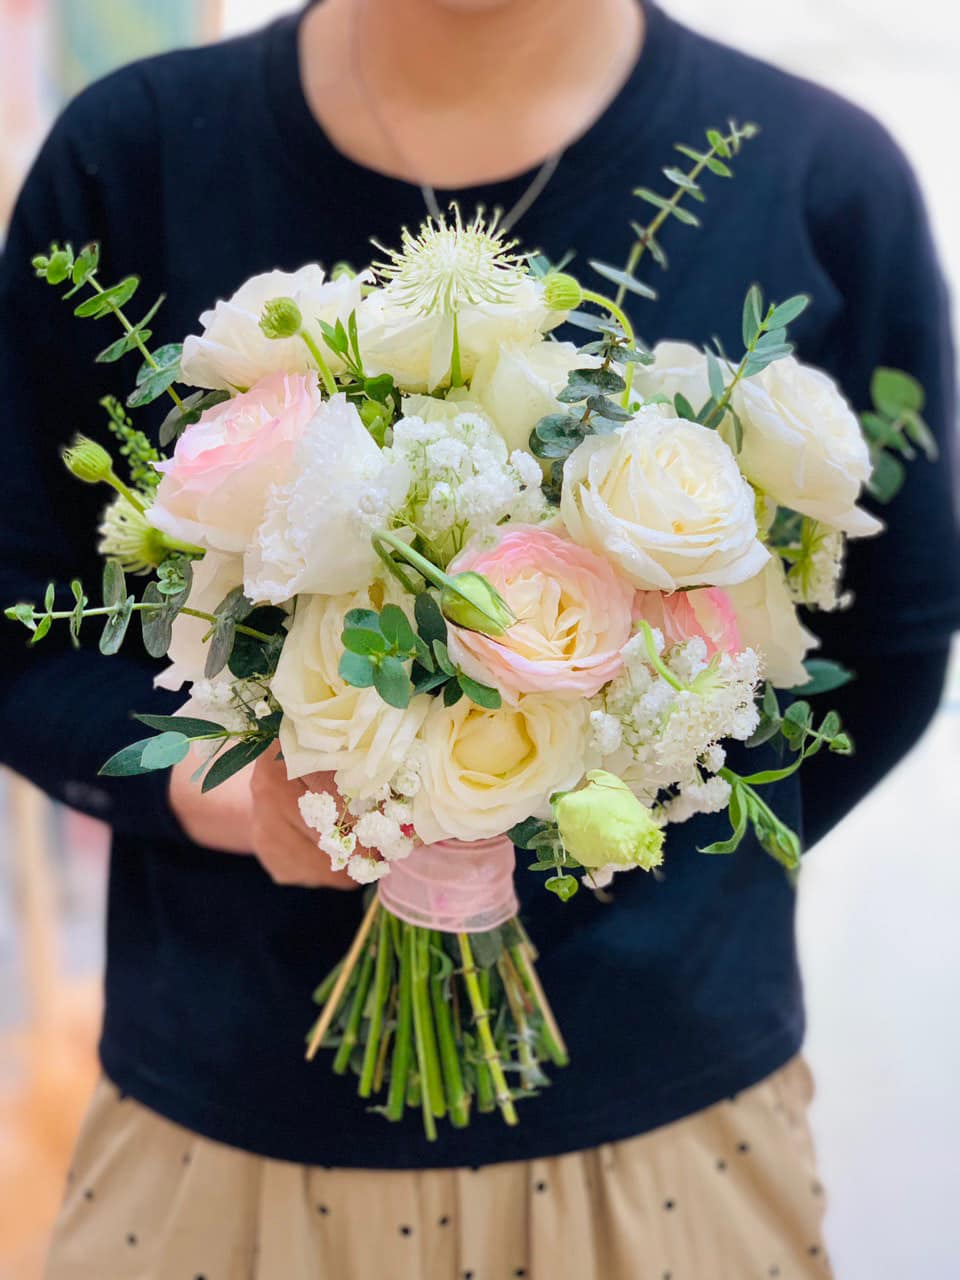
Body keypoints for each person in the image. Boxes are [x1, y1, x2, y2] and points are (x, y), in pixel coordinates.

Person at [1, 0, 957, 1276]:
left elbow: (891, 644)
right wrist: (247, 799)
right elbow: (17, 630)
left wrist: (625, 803)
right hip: (225, 1122)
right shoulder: (139, 152)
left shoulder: (815, 174)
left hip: (668, 1133)